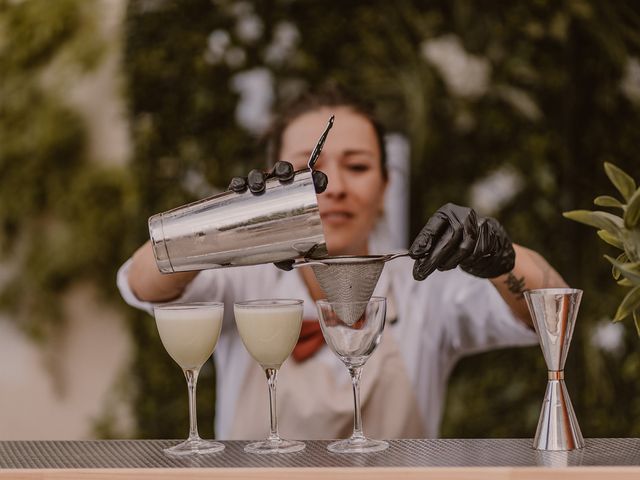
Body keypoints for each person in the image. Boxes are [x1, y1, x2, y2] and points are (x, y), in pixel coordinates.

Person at [117, 88, 568, 440]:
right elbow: (142, 283)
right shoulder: (239, 277)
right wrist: (222, 225)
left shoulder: (425, 282)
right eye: (306, 170)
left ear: (386, 185)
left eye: (357, 166)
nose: (332, 188)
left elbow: (551, 315)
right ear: (275, 181)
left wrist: (504, 261)